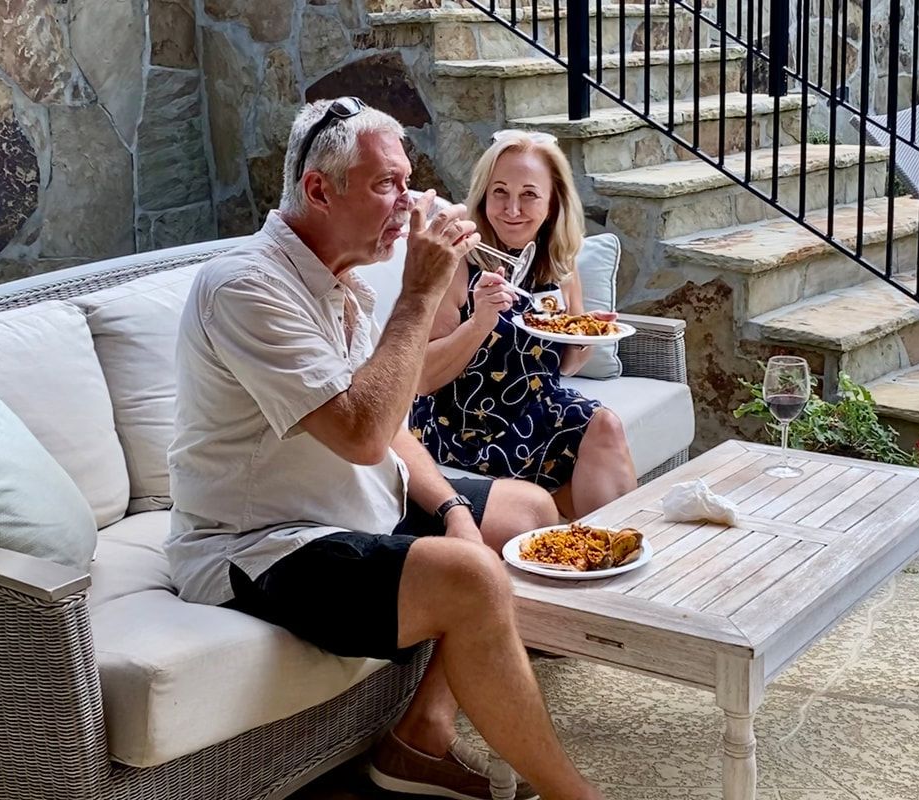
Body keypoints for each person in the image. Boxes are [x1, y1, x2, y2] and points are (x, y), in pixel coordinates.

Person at [166, 98, 604, 800]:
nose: (407, 203)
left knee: (523, 512)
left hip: (354, 506)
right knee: (473, 579)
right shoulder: (247, 287)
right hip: (261, 544)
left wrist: (454, 507)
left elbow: (391, 420)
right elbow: (362, 434)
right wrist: (420, 292)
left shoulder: (334, 277)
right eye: (385, 185)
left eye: (407, 182)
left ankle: (421, 733)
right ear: (318, 189)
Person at [410, 130, 637, 519]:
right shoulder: (459, 261)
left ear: (552, 203)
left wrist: (586, 334)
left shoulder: (558, 261)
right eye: (500, 192)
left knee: (606, 427)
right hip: (465, 424)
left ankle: (611, 554)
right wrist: (480, 322)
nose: (512, 209)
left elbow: (565, 365)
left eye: (529, 194)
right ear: (483, 195)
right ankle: (592, 547)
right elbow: (422, 378)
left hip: (539, 410)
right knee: (592, 468)